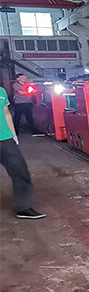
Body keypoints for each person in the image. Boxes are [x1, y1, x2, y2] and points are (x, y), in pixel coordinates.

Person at [0, 86, 45, 219]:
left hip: (6, 139)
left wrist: (13, 134)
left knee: (21, 173)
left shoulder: (1, 91)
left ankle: (24, 207)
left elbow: (6, 113)